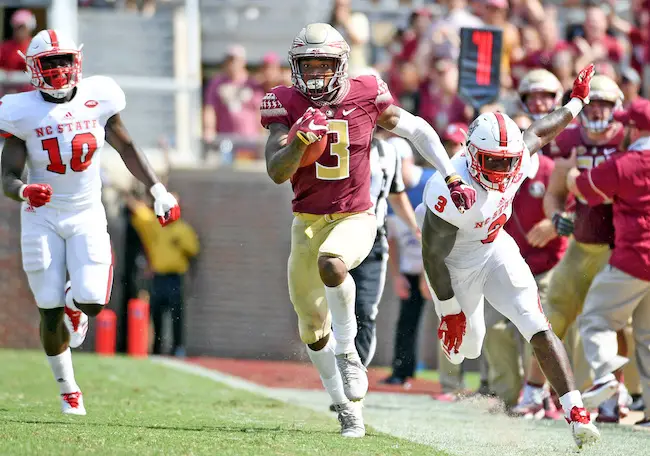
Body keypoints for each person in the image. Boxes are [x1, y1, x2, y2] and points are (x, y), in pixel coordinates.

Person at [260, 23, 476, 438]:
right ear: (295, 66)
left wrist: (450, 175)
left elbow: (415, 128)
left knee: (333, 263)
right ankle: (346, 407)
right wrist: (299, 144)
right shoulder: (284, 102)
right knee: (310, 327)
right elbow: (276, 170)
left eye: (325, 65)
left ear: (341, 65)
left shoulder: (365, 92)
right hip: (306, 221)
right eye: (309, 65)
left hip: (357, 216)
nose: (317, 74)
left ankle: (348, 351)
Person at [418, 64, 601, 449]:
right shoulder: (448, 186)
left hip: (496, 247)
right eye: (494, 162)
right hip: (455, 264)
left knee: (536, 322)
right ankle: (459, 324)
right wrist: (449, 308)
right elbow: (434, 257)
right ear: (470, 154)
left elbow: (540, 130)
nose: (504, 170)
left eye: (508, 161)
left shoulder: (514, 156)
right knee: (469, 347)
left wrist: (578, 102)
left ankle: (576, 412)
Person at [0, 30, 180, 416]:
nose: (58, 69)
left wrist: (158, 190)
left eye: (63, 60)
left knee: (93, 302)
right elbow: (7, 176)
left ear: (77, 61)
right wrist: (24, 191)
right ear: (33, 68)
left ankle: (74, 304)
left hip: (85, 212)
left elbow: (127, 147)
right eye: (49, 62)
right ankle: (68, 391)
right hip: (41, 216)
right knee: (47, 306)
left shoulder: (100, 96)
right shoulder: (20, 110)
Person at [521, 75, 627, 419]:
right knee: (550, 317)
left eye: (604, 105)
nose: (597, 111)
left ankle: (615, 393)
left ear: (618, 108)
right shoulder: (573, 142)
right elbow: (554, 194)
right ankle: (534, 391)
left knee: (613, 324)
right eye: (592, 103)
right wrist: (555, 219)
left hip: (618, 248)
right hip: (582, 246)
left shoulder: (628, 142)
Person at [563, 97, 650, 427]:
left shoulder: (624, 163)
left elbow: (583, 189)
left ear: (634, 129)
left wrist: (570, 172)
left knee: (595, 319)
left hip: (634, 258)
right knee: (648, 337)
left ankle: (604, 376)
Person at [128, 193, 199, 357]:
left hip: (175, 277)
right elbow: (140, 213)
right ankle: (157, 349)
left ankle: (178, 348)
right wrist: (130, 197)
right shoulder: (156, 225)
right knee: (156, 313)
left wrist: (180, 242)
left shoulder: (183, 229)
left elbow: (193, 249)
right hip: (158, 276)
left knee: (176, 315)